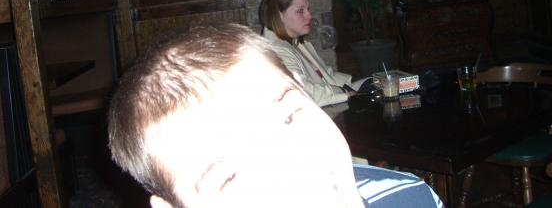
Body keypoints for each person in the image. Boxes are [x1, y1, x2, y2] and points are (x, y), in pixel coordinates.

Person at [107, 23, 443, 208]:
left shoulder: (411, 197)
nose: (295, 170)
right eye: (229, 176)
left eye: (288, 118)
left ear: (302, 91)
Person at [259, 0, 370, 107]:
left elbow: (327, 76)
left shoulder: (299, 43)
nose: (309, 16)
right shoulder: (276, 52)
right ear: (280, 15)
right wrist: (344, 92)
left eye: (308, 9)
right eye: (300, 10)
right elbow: (301, 93)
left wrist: (367, 82)